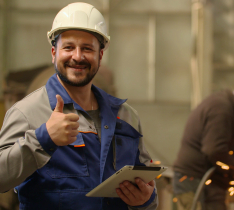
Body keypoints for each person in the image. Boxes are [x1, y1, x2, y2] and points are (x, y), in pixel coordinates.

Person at [0, 2, 157, 210]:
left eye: (87, 49)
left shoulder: (126, 116)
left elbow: (147, 191)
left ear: (100, 56)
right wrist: (43, 138)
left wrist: (145, 200)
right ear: (54, 53)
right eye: (68, 47)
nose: (77, 56)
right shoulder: (27, 112)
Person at [173, 80, 234, 210]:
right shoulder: (222, 109)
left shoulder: (226, 107)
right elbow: (214, 151)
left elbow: (230, 152)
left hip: (209, 182)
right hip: (194, 181)